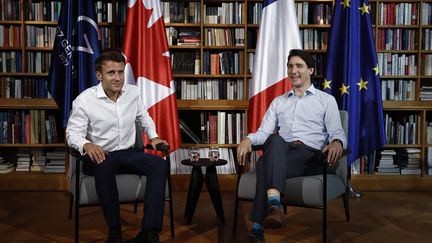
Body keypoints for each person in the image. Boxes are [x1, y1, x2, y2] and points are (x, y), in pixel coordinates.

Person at [237, 49, 347, 243]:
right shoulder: (279, 102)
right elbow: (264, 132)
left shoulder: (326, 100)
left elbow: (337, 132)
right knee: (275, 140)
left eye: (299, 66)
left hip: (310, 156)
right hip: (283, 152)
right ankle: (274, 205)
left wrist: (337, 142)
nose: (293, 70)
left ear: (311, 70)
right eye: (290, 66)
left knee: (263, 164)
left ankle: (257, 229)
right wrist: (248, 139)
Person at [66, 50, 168, 243]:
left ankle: (149, 232)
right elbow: (72, 134)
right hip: (99, 156)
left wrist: (154, 137)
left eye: (120, 72)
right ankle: (115, 231)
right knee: (104, 165)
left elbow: (143, 116)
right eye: (111, 73)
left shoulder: (132, 93)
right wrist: (87, 144)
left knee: (159, 164)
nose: (117, 78)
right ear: (99, 75)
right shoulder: (85, 100)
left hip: (128, 153)